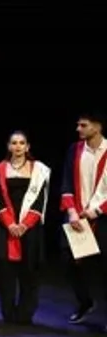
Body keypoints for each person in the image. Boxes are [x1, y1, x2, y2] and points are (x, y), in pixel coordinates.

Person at [0, 132, 50, 325]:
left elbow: (40, 199)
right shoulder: (0, 169)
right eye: (14, 143)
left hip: (30, 227)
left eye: (22, 143)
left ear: (28, 147)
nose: (18, 146)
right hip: (6, 226)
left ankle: (25, 313)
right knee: (6, 272)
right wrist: (10, 223)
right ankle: (8, 313)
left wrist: (25, 224)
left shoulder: (39, 170)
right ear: (9, 146)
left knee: (30, 271)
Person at [60, 111, 107, 325]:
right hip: (77, 214)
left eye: (83, 125)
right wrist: (71, 210)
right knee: (68, 260)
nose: (78, 129)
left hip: (102, 216)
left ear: (97, 127)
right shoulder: (75, 150)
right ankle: (85, 301)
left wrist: (97, 210)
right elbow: (67, 182)